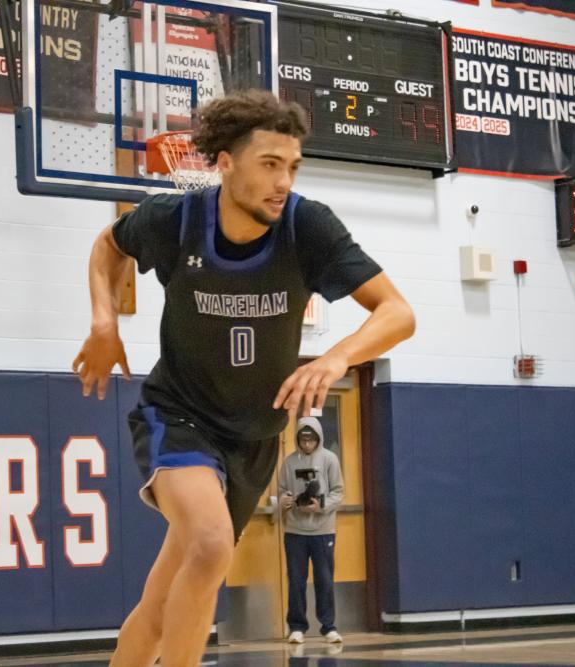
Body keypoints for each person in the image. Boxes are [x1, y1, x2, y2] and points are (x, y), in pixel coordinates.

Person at [72, 89, 415, 666]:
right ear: (226, 163)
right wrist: (104, 322)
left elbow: (397, 312)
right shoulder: (177, 220)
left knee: (161, 603)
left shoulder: (307, 227)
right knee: (210, 547)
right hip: (178, 416)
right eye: (269, 164)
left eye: (292, 167)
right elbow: (109, 245)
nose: (283, 181)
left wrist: (337, 357)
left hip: (254, 439)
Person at [279, 416, 345, 645]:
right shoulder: (289, 462)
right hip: (295, 531)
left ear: (318, 439)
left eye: (311, 440)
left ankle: (328, 627)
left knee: (324, 580)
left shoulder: (330, 459)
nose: (307, 444)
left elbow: (338, 491)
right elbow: (281, 490)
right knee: (296, 580)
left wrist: (321, 505)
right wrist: (285, 500)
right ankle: (297, 627)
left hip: (323, 531)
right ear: (297, 440)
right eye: (303, 440)